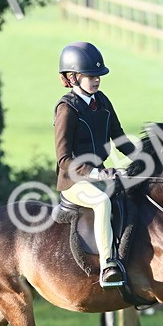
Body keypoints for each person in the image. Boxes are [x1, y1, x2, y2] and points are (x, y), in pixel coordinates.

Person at [54, 41, 131, 287]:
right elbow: (64, 160)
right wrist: (97, 173)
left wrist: (150, 157)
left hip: (101, 174)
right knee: (102, 202)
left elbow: (119, 138)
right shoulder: (67, 109)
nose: (97, 80)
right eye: (91, 76)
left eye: (99, 75)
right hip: (74, 181)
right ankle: (108, 265)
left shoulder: (103, 101)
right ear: (73, 78)